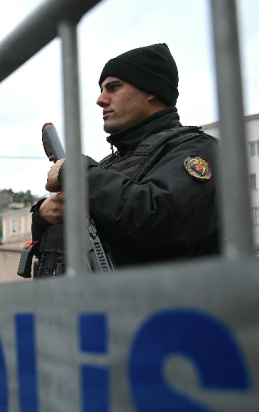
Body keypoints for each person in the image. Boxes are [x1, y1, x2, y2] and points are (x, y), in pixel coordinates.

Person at [31, 43, 219, 273]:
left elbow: (159, 219)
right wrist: (44, 214)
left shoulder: (197, 150)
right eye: (102, 90)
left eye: (113, 87)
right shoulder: (107, 166)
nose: (100, 99)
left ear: (151, 90)